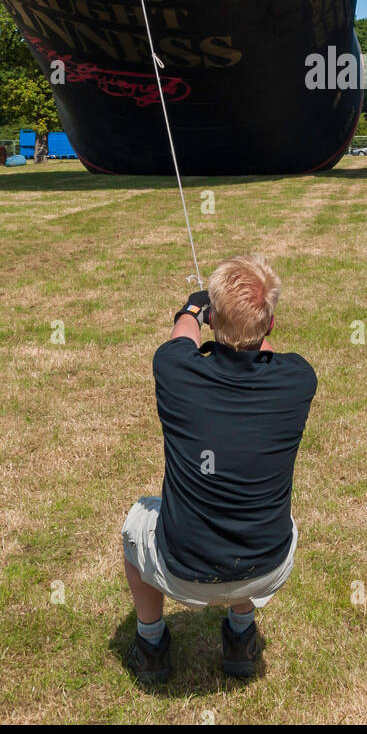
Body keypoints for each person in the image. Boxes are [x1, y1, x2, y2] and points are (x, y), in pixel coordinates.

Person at [121, 255, 317, 682]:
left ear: (213, 319)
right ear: (270, 325)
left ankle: (152, 644)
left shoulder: (173, 372)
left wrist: (193, 310)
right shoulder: (299, 380)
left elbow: (181, 339)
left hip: (181, 568)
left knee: (136, 517)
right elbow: (259, 350)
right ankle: (240, 636)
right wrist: (239, 323)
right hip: (267, 564)